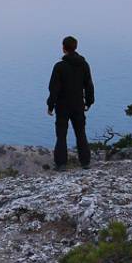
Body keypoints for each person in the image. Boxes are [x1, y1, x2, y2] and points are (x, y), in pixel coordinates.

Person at [47, 35, 94, 170]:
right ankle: (85, 162)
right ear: (75, 47)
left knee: (61, 135)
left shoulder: (59, 67)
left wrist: (50, 105)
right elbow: (89, 85)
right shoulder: (84, 65)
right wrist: (89, 101)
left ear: (63, 48)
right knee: (80, 133)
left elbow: (53, 88)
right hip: (78, 104)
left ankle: (61, 164)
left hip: (62, 106)